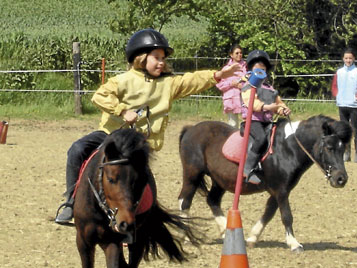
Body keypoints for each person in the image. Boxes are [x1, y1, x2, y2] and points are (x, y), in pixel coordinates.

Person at [55, 28, 240, 224]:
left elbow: (191, 81)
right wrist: (122, 110)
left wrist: (218, 74)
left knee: (143, 181)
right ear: (141, 58)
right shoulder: (123, 80)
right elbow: (99, 96)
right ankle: (70, 202)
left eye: (163, 58)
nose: (161, 62)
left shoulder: (168, 84)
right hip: (112, 135)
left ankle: (140, 217)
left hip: (139, 144)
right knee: (77, 149)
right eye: (156, 57)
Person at [240, 49, 291, 184]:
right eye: (256, 66)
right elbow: (253, 104)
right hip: (252, 121)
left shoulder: (270, 88)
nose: (260, 69)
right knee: (261, 139)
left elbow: (278, 103)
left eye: (262, 66)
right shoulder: (248, 86)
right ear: (250, 68)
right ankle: (247, 168)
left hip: (267, 121)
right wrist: (269, 107)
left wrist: (283, 109)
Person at [331, 48, 357, 163]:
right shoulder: (339, 72)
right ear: (343, 59)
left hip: (354, 106)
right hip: (342, 105)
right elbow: (334, 86)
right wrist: (337, 95)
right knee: (343, 130)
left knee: (355, 129)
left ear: (354, 59)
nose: (348, 60)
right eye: (346, 58)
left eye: (350, 58)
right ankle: (346, 154)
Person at [216, 44, 247, 127]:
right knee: (233, 125)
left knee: (247, 123)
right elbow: (220, 85)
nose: (239, 55)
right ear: (231, 55)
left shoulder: (246, 68)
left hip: (245, 99)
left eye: (240, 53)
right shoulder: (226, 69)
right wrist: (231, 84)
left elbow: (251, 82)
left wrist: (243, 86)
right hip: (231, 100)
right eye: (237, 53)